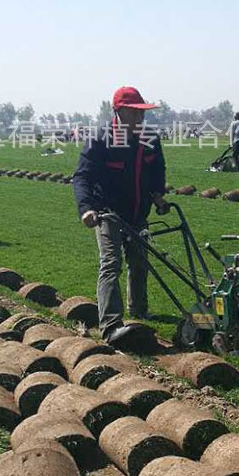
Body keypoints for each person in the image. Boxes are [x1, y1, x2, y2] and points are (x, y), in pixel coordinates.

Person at [73, 85, 168, 347]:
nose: (141, 118)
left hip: (138, 212)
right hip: (107, 213)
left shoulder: (148, 137)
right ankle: (111, 326)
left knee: (139, 262)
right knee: (111, 263)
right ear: (120, 111)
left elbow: (158, 168)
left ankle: (139, 310)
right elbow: (82, 176)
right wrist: (86, 209)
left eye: (142, 113)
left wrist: (158, 194)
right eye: (135, 113)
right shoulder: (101, 138)